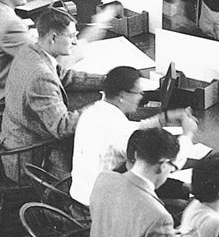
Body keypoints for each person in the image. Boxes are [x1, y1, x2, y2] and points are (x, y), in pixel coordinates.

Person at [1, 7, 87, 180]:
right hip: (29, 161)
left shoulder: (30, 51)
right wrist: (97, 108)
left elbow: (64, 76)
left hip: (12, 141)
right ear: (53, 37)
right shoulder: (41, 75)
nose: (76, 42)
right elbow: (62, 127)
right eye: (71, 36)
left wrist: (108, 80)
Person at [70, 64, 167, 206]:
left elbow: (131, 129)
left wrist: (163, 119)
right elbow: (149, 166)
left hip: (80, 195)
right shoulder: (120, 128)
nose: (141, 97)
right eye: (138, 92)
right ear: (122, 95)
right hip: (98, 208)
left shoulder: (92, 111)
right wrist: (186, 137)